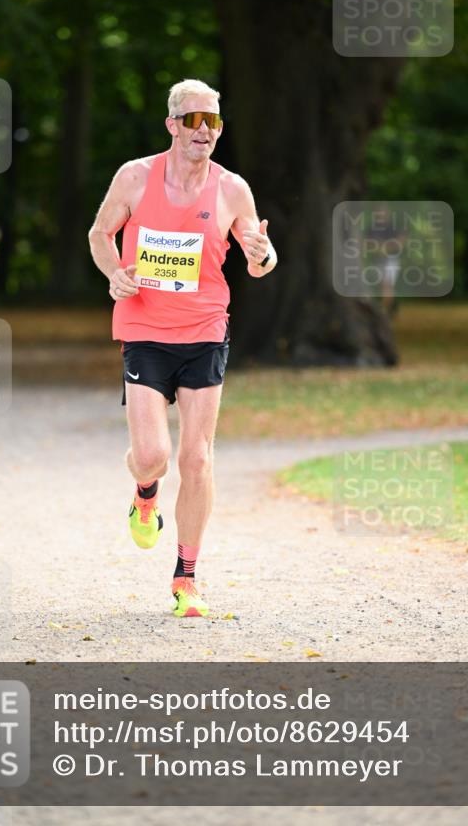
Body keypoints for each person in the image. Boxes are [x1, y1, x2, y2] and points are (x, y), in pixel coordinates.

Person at [88, 79, 277, 617]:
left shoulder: (231, 189)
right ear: (172, 125)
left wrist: (264, 255)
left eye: (213, 122)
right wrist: (113, 276)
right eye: (194, 120)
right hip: (145, 330)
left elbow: (258, 262)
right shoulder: (134, 176)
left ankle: (186, 577)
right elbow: (99, 235)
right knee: (154, 456)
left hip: (204, 332)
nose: (205, 131)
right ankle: (145, 494)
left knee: (196, 458)